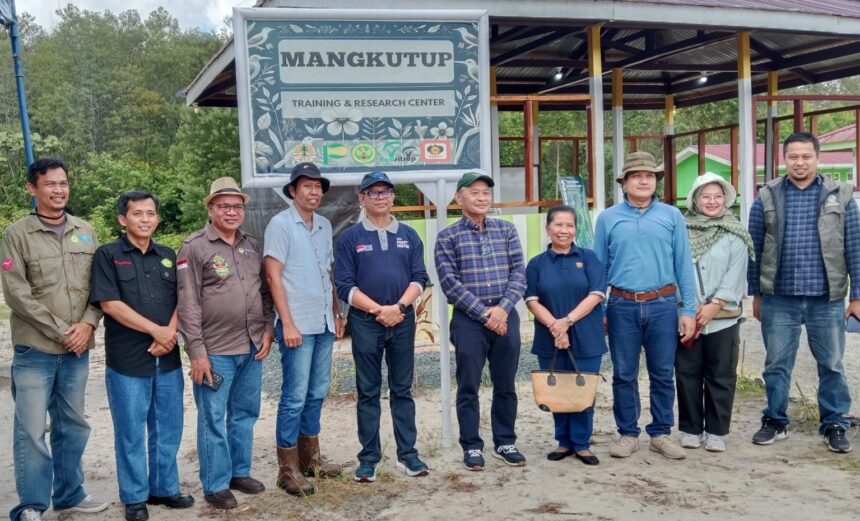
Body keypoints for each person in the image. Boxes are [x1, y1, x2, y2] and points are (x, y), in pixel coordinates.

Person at [1, 157, 108, 521]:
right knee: (31, 430)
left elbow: (100, 285)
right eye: (50, 184)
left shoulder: (86, 230)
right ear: (32, 188)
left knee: (72, 425)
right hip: (36, 350)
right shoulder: (17, 234)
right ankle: (31, 504)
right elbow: (17, 294)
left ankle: (69, 495)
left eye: (63, 183)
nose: (59, 190)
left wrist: (88, 324)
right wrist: (64, 331)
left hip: (77, 351)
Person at [747, 132, 859, 453]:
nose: (800, 162)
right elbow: (754, 248)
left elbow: (854, 247)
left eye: (806, 156)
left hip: (827, 298)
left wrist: (857, 296)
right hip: (779, 297)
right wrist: (756, 293)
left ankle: (834, 423)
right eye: (793, 156)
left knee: (832, 364)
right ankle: (775, 420)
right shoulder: (767, 196)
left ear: (817, 158)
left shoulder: (841, 196)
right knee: (776, 364)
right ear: (784, 159)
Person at [89, 191, 194, 521]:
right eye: (138, 213)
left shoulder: (167, 255)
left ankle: (164, 487)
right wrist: (156, 331)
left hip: (168, 357)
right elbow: (110, 304)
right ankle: (134, 497)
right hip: (128, 360)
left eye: (150, 213)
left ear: (157, 219)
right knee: (131, 431)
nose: (145, 219)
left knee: (168, 426)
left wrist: (170, 333)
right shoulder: (108, 255)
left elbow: (182, 298)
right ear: (124, 219)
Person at [177, 177, 275, 508]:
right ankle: (215, 484)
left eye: (237, 206)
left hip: (251, 346)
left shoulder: (252, 244)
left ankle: (239, 472)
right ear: (210, 208)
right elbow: (188, 303)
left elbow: (264, 291)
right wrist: (197, 353)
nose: (232, 212)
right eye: (224, 206)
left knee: (245, 413)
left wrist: (268, 329)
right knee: (213, 418)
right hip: (215, 350)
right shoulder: (194, 247)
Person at [593, 151, 696, 460]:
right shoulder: (608, 218)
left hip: (663, 304)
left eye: (649, 176)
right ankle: (628, 433)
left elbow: (683, 264)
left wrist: (688, 310)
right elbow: (599, 267)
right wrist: (600, 310)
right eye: (636, 176)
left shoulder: (672, 216)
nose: (643, 181)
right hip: (621, 304)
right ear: (624, 183)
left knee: (662, 373)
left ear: (656, 181)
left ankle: (661, 433)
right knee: (624, 373)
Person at [334, 171, 430, 482]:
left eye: (385, 192)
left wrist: (398, 308)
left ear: (393, 197)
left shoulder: (409, 235)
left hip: (402, 320)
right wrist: (379, 310)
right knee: (368, 391)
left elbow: (419, 278)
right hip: (366, 322)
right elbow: (344, 286)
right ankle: (369, 458)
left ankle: (408, 455)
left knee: (402, 389)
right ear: (361, 198)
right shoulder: (349, 238)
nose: (380, 197)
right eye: (373, 192)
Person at [435, 171, 527, 471]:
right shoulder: (447, 237)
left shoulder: (506, 230)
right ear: (458, 198)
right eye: (474, 192)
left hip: (505, 316)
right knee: (468, 385)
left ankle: (505, 441)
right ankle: (472, 446)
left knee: (506, 384)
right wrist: (485, 314)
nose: (481, 197)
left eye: (486, 192)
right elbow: (450, 284)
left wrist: (502, 310)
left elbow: (519, 274)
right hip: (468, 320)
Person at [264, 163, 345, 496]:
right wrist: (287, 322)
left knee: (316, 392)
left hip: (323, 321)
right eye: (307, 186)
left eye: (318, 187)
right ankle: (287, 469)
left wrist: (337, 312)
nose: (314, 192)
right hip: (297, 323)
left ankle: (311, 460)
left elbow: (329, 272)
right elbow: (273, 276)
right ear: (292, 191)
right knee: (294, 396)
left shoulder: (324, 225)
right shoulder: (280, 224)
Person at [676, 173, 753, 453]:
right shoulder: (681, 230)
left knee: (721, 374)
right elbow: (674, 267)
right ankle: (691, 429)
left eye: (717, 196)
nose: (712, 201)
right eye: (705, 196)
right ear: (695, 200)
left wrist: (714, 305)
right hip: (687, 316)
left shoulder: (735, 232)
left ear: (726, 199)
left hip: (723, 318)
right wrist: (687, 305)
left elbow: (736, 273)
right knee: (687, 373)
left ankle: (717, 431)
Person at [525, 205, 607, 466]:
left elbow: (596, 294)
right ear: (547, 229)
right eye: (558, 225)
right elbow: (531, 300)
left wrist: (567, 322)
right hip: (549, 336)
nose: (564, 230)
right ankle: (563, 442)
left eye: (569, 225)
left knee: (583, 390)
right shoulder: (537, 264)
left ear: (575, 229)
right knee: (556, 390)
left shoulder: (589, 258)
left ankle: (582, 444)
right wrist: (555, 327)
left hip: (586, 335)